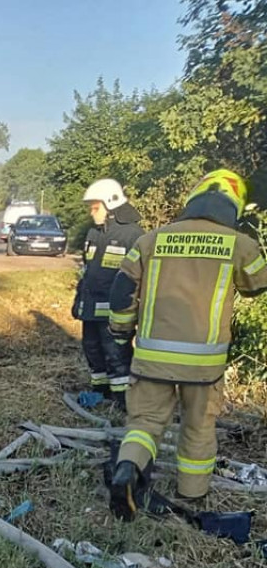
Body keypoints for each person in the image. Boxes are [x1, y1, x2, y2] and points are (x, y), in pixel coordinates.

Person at [107, 169, 267, 521]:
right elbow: (257, 286)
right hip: (204, 365)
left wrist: (120, 334)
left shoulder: (150, 240)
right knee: (198, 426)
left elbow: (121, 293)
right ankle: (191, 495)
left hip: (151, 359)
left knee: (145, 423)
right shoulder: (240, 244)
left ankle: (127, 470)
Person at [72, 179, 145, 408]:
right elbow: (87, 270)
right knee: (92, 349)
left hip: (116, 311)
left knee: (117, 354)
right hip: (91, 308)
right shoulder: (93, 233)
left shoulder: (133, 234)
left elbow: (139, 275)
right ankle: (101, 393)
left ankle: (124, 400)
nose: (91, 212)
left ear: (110, 204)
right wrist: (79, 300)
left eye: (95, 207)